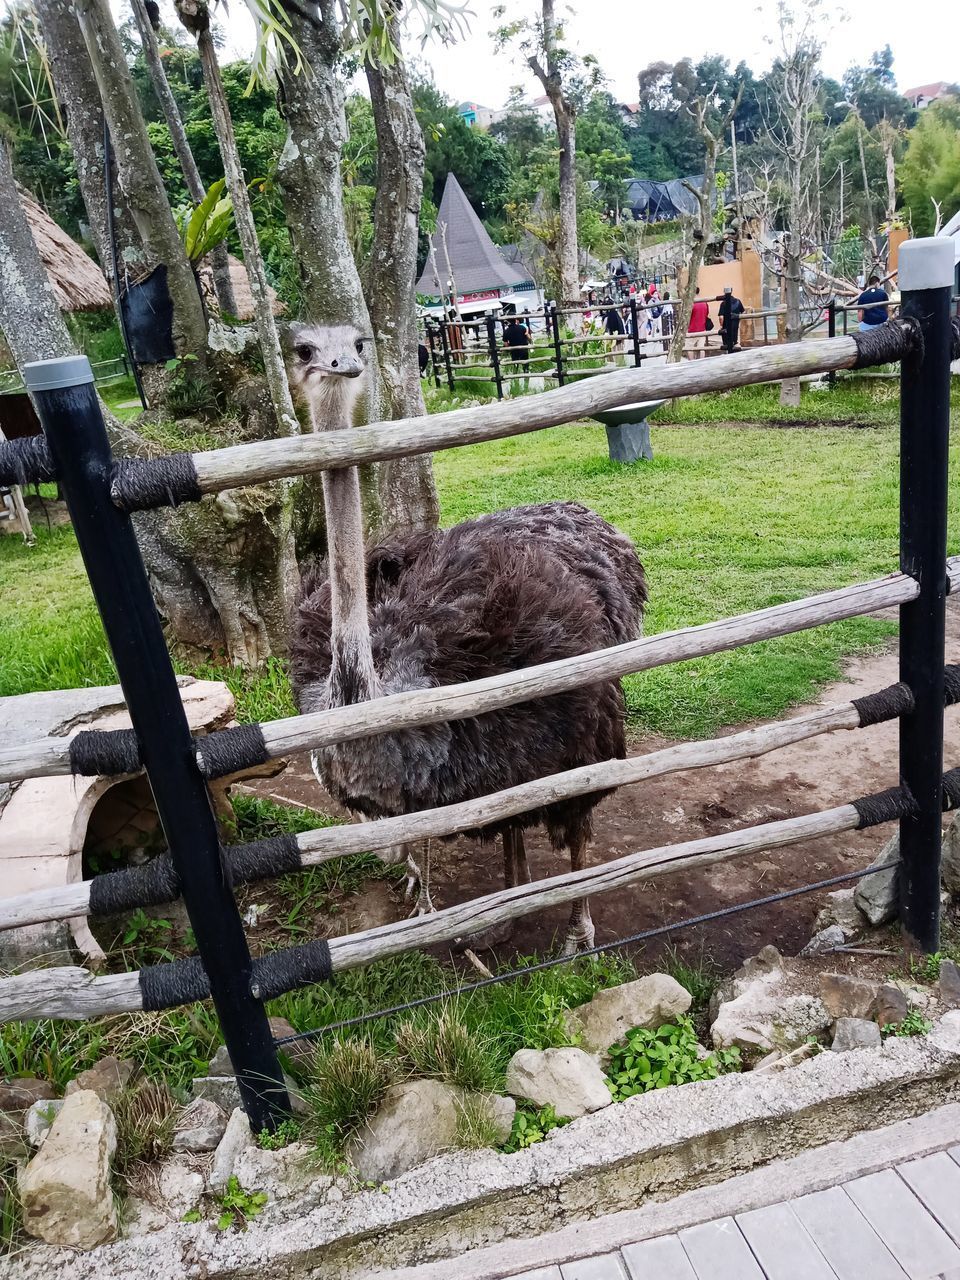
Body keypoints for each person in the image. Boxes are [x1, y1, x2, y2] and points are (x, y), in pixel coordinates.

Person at [718, 284, 745, 354]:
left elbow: (721, 317)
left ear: (724, 292)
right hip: (735, 326)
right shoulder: (738, 301)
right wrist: (738, 320)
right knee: (735, 342)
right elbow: (743, 312)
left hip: (726, 328)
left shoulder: (723, 303)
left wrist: (721, 325)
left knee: (727, 345)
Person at [687, 289, 710, 359]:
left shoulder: (691, 303)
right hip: (702, 328)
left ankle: (692, 363)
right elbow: (707, 314)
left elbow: (688, 317)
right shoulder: (704, 302)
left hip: (692, 329)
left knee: (689, 347)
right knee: (701, 348)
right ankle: (701, 362)